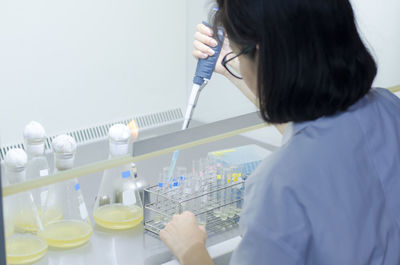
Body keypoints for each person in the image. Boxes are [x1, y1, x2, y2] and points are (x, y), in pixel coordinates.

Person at [160, 0, 400, 264]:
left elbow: (303, 153)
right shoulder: (388, 107)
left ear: (263, 54)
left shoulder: (278, 186)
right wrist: (232, 64)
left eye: (238, 54)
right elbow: (311, 129)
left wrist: (191, 249)